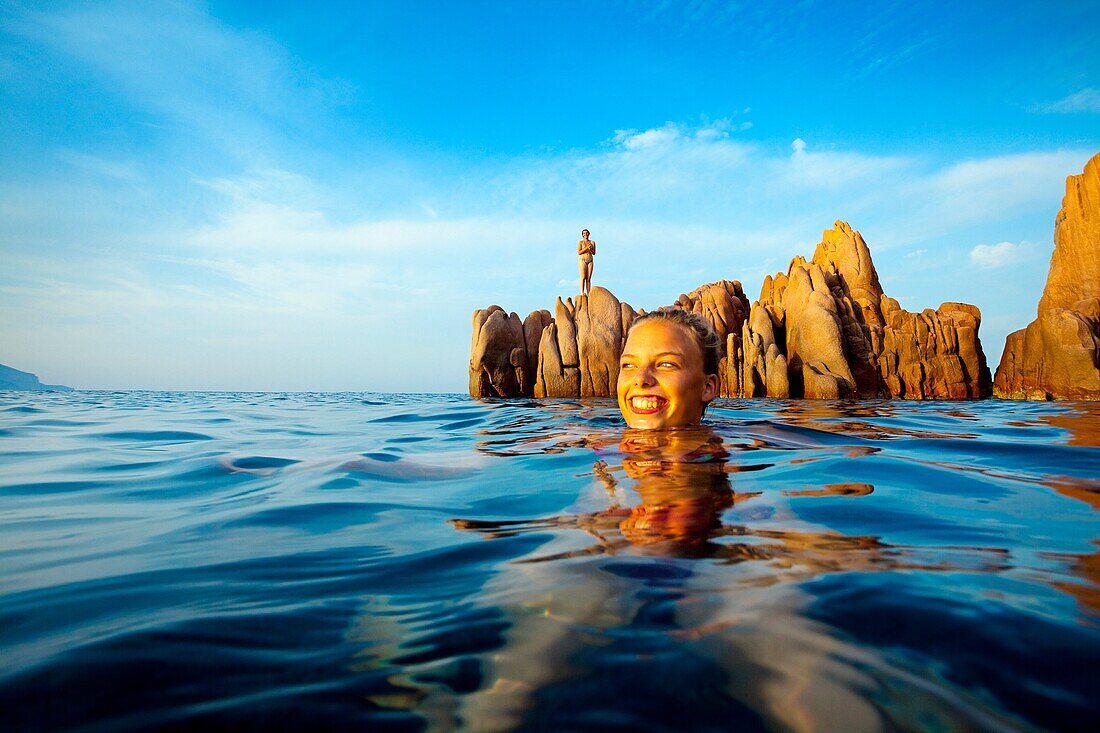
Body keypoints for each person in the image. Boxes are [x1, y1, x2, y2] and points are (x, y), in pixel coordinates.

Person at [617, 308, 721, 430]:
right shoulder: (599, 443)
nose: (640, 379)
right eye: (628, 365)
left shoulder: (738, 444)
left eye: (666, 364)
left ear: (708, 387)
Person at [577, 228, 595, 295]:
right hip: (583, 260)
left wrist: (590, 249)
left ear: (589, 234)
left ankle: (588, 293)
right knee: (583, 276)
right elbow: (579, 252)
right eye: (584, 233)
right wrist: (586, 248)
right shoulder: (580, 242)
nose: (585, 234)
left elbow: (594, 253)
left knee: (589, 278)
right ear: (582, 235)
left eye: (586, 233)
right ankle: (582, 292)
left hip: (590, 260)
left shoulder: (592, 242)